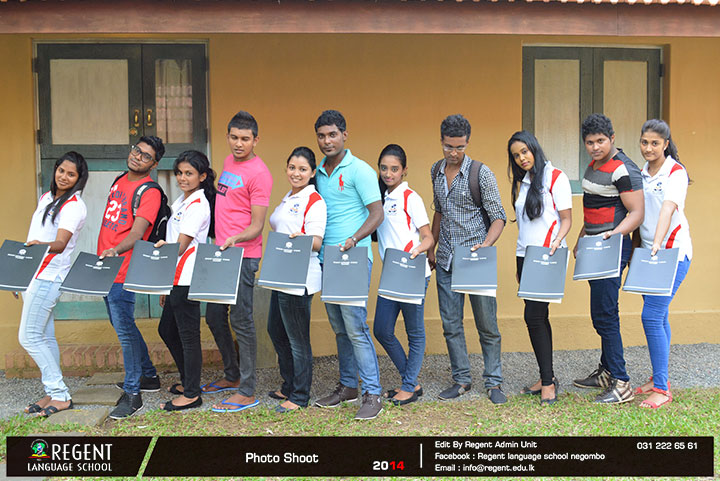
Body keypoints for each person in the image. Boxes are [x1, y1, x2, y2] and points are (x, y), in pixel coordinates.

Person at [428, 114, 508, 404]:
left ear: (467, 142)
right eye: (449, 146)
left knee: (487, 325)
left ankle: (494, 382)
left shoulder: (481, 173)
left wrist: (485, 245)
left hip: (476, 259)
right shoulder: (436, 170)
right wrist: (431, 246)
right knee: (451, 324)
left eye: (459, 147)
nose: (454, 153)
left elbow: (498, 216)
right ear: (441, 141)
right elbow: (439, 210)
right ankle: (461, 379)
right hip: (447, 259)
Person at [312, 110, 385, 420]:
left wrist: (354, 239)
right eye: (321, 136)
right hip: (327, 259)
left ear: (344, 135)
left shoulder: (360, 170)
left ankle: (373, 393)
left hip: (353, 257)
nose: (327, 141)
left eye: (332, 134)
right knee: (340, 329)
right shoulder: (317, 172)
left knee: (355, 327)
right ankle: (348, 387)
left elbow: (377, 213)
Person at [572, 113, 644, 404]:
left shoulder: (623, 169)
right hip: (594, 247)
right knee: (601, 312)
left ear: (612, 138)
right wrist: (581, 239)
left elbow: (637, 213)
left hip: (611, 249)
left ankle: (621, 382)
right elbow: (592, 207)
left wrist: (612, 236)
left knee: (605, 314)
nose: (595, 147)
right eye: (590, 142)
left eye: (600, 141)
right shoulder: (593, 166)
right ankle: (606, 372)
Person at [204, 111, 273, 413]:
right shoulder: (228, 162)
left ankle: (247, 390)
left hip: (244, 255)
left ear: (256, 140)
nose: (239, 143)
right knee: (214, 316)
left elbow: (257, 225)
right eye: (234, 137)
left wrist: (234, 239)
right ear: (228, 137)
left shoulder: (260, 173)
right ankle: (232, 375)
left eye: (245, 139)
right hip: (222, 253)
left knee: (241, 321)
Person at [99, 136, 166, 419]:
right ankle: (149, 375)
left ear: (155, 163)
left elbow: (137, 233)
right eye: (137, 150)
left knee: (124, 330)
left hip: (123, 267)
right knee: (121, 324)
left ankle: (133, 393)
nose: (138, 157)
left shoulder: (150, 191)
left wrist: (115, 250)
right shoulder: (119, 181)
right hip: (106, 263)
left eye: (146, 156)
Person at [18, 152, 88, 418]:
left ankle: (60, 394)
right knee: (45, 337)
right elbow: (34, 235)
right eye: (61, 170)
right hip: (34, 275)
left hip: (49, 277)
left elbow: (59, 244)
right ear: (55, 169)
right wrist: (20, 275)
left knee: (28, 337)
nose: (64, 177)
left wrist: (39, 247)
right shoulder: (47, 198)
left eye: (71, 174)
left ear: (79, 178)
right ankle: (52, 392)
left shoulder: (74, 206)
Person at [507, 131, 572, 406]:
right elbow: (524, 226)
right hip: (526, 256)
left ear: (534, 148)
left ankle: (548, 383)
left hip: (548, 254)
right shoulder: (522, 182)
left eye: (525, 151)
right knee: (538, 316)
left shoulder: (556, 177)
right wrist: (519, 262)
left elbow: (566, 219)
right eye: (516, 155)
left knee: (533, 316)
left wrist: (556, 241)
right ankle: (547, 376)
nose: (522, 158)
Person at [634, 119, 692, 409]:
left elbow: (667, 210)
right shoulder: (642, 172)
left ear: (666, 144)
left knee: (652, 316)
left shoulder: (675, 172)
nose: (649, 148)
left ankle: (662, 389)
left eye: (655, 143)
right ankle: (660, 378)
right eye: (645, 142)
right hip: (648, 255)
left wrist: (656, 244)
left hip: (671, 253)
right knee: (659, 315)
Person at [372, 144, 434, 406]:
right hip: (391, 273)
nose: (389, 173)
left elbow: (428, 237)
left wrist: (417, 250)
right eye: (384, 168)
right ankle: (412, 382)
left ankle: (408, 386)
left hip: (412, 271)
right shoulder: (379, 199)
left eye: (394, 169)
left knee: (414, 332)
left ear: (404, 170)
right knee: (381, 329)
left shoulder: (411, 198)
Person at [267, 146, 327, 413]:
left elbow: (316, 242)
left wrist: (300, 238)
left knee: (297, 339)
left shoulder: (314, 201)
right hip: (280, 272)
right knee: (275, 330)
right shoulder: (289, 196)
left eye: (303, 169)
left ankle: (300, 395)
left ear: (312, 173)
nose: (296, 173)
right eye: (292, 167)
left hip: (299, 276)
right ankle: (289, 384)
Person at [156, 150, 215, 412]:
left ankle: (191, 393)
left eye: (189, 173)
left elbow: (179, 247)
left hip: (187, 277)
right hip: (175, 278)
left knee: (188, 336)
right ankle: (189, 382)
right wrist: (165, 284)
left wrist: (162, 248)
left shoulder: (198, 205)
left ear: (202, 176)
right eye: (179, 173)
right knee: (167, 330)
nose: (182, 178)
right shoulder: (183, 201)